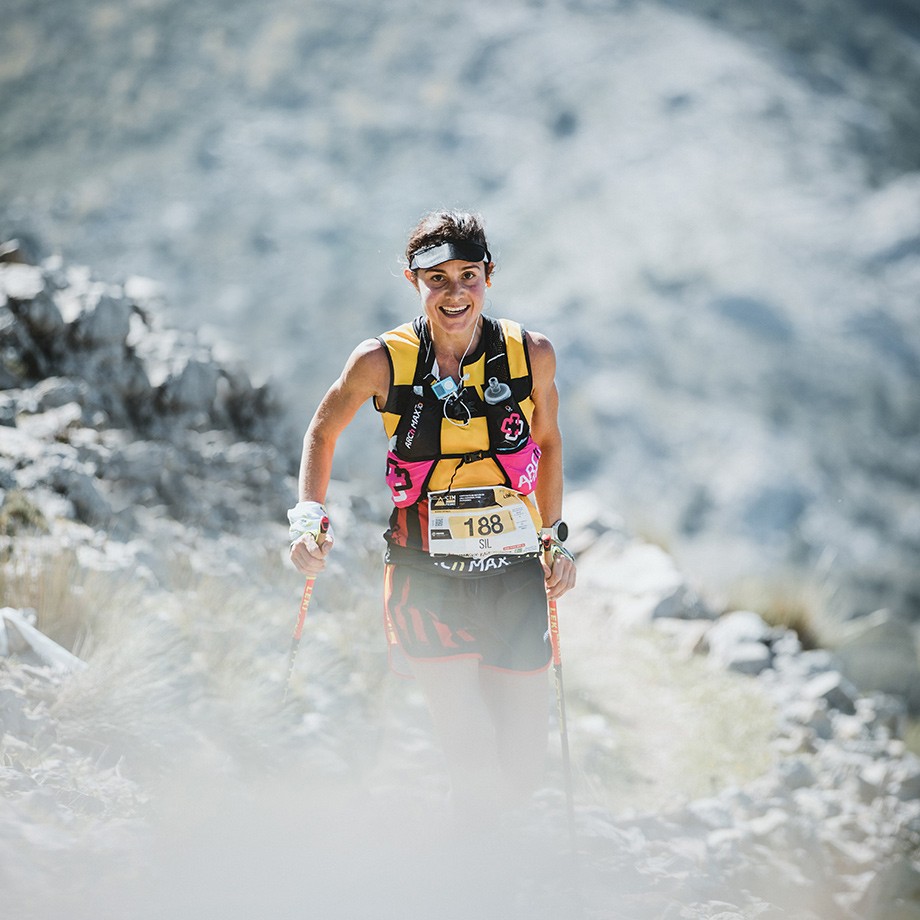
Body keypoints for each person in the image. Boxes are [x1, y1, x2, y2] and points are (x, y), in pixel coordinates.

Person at [288, 209, 576, 828]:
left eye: (467, 276)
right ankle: (469, 879)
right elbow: (322, 429)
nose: (454, 293)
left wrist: (554, 540)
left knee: (522, 769)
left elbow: (548, 443)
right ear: (413, 281)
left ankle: (485, 859)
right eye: (436, 279)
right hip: (426, 573)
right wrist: (308, 521)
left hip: (514, 574)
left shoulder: (532, 354)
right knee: (469, 750)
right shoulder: (381, 360)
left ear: (488, 276)